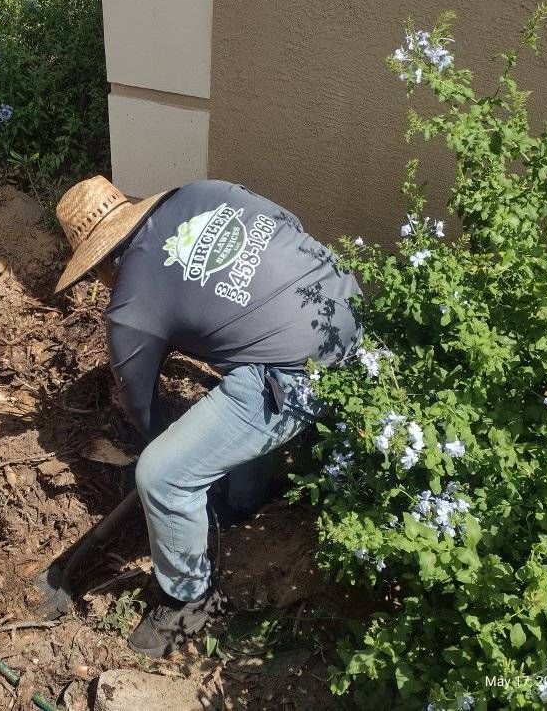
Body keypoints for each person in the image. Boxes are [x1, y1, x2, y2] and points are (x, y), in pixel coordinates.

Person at [53, 176, 361, 657]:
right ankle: (244, 500)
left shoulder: (131, 306)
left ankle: (192, 599)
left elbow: (143, 409)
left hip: (301, 376)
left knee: (161, 475)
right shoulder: (203, 192)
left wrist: (180, 458)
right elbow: (289, 225)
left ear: (98, 267)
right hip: (343, 302)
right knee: (241, 390)